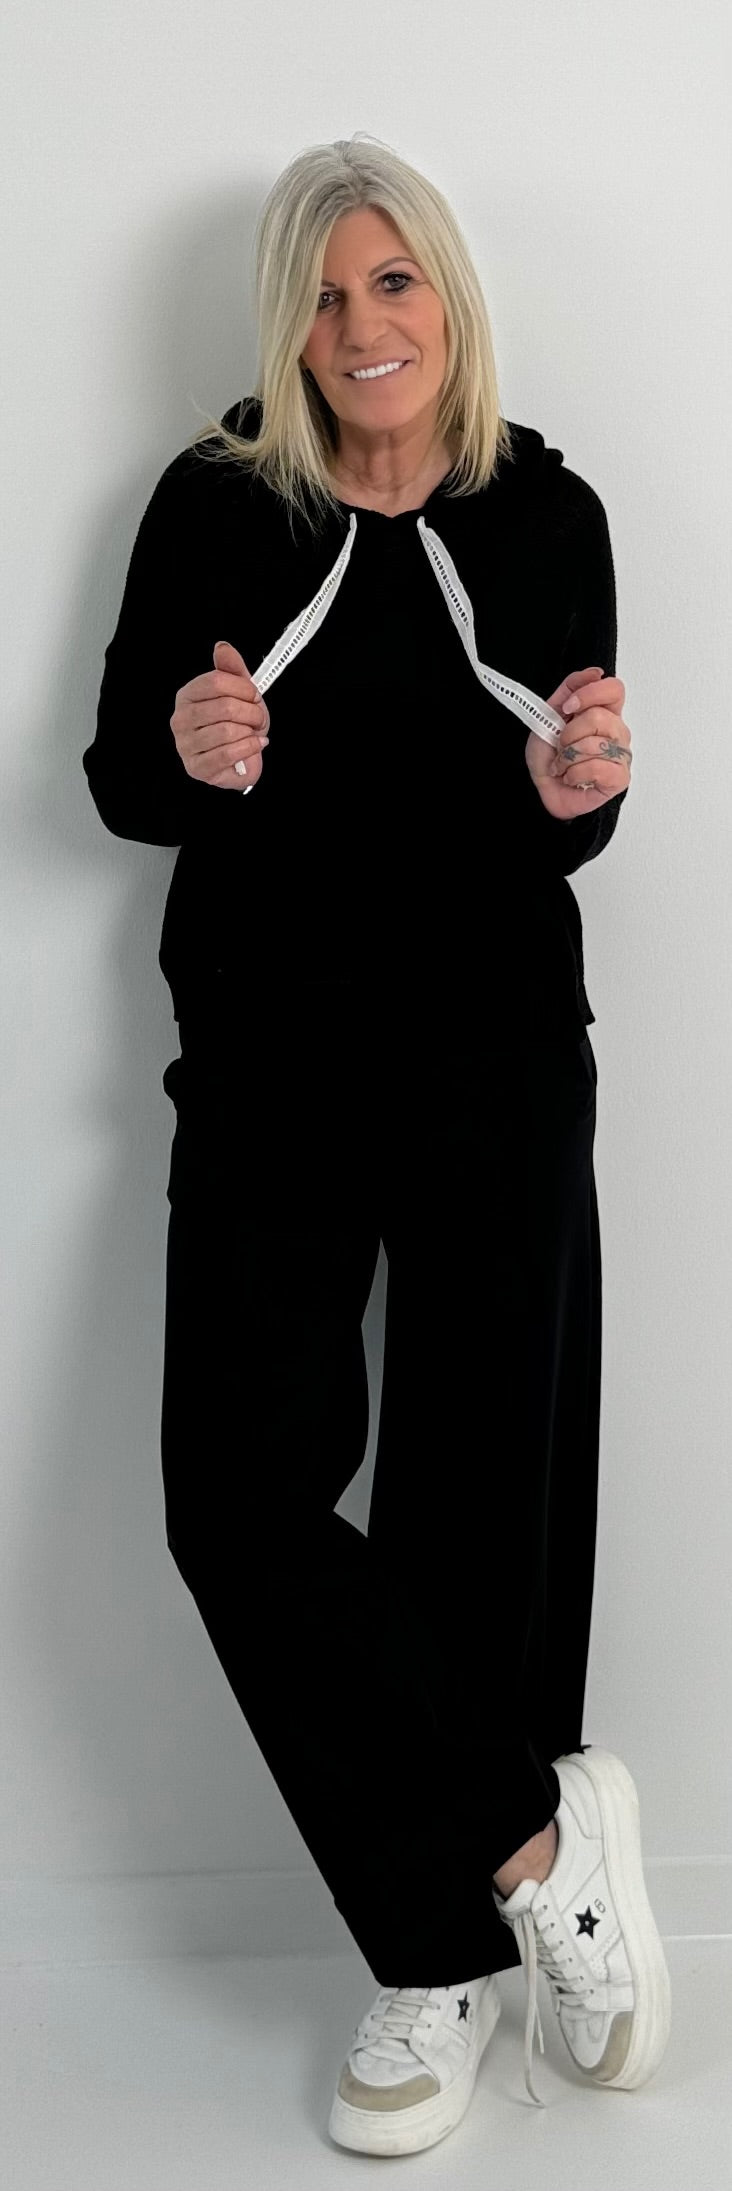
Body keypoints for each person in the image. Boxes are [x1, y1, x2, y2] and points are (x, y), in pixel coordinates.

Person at [83, 133, 670, 2158]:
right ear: (289, 322)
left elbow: (574, 791)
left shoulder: (548, 511)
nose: (362, 328)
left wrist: (579, 788)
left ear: (446, 298)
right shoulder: (215, 503)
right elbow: (120, 772)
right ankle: (522, 1855)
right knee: (234, 1498)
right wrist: (188, 750)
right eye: (326, 295)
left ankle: (442, 1965)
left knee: (479, 1502)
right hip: (272, 1062)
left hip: (497, 1054)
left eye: (393, 282)